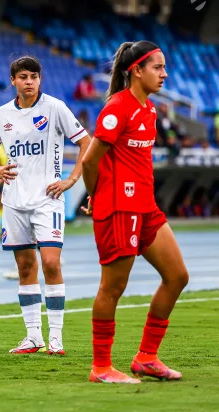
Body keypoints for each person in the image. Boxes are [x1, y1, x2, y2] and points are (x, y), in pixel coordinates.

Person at [81, 41, 189, 383]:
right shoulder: (117, 108)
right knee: (112, 287)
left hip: (145, 206)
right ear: (137, 71)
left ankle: (146, 357)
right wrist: (96, 195)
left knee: (177, 276)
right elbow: (89, 161)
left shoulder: (150, 109)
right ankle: (101, 368)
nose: (164, 74)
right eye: (157, 67)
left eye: (164, 67)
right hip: (119, 207)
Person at [0, 56, 91, 355]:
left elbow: (87, 142)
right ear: (13, 81)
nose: (29, 81)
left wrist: (72, 180)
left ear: (40, 79)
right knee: (25, 267)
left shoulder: (55, 107)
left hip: (48, 200)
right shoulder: (2, 114)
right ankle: (33, 336)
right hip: (14, 201)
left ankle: (56, 337)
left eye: (33, 76)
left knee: (51, 263)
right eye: (23, 77)